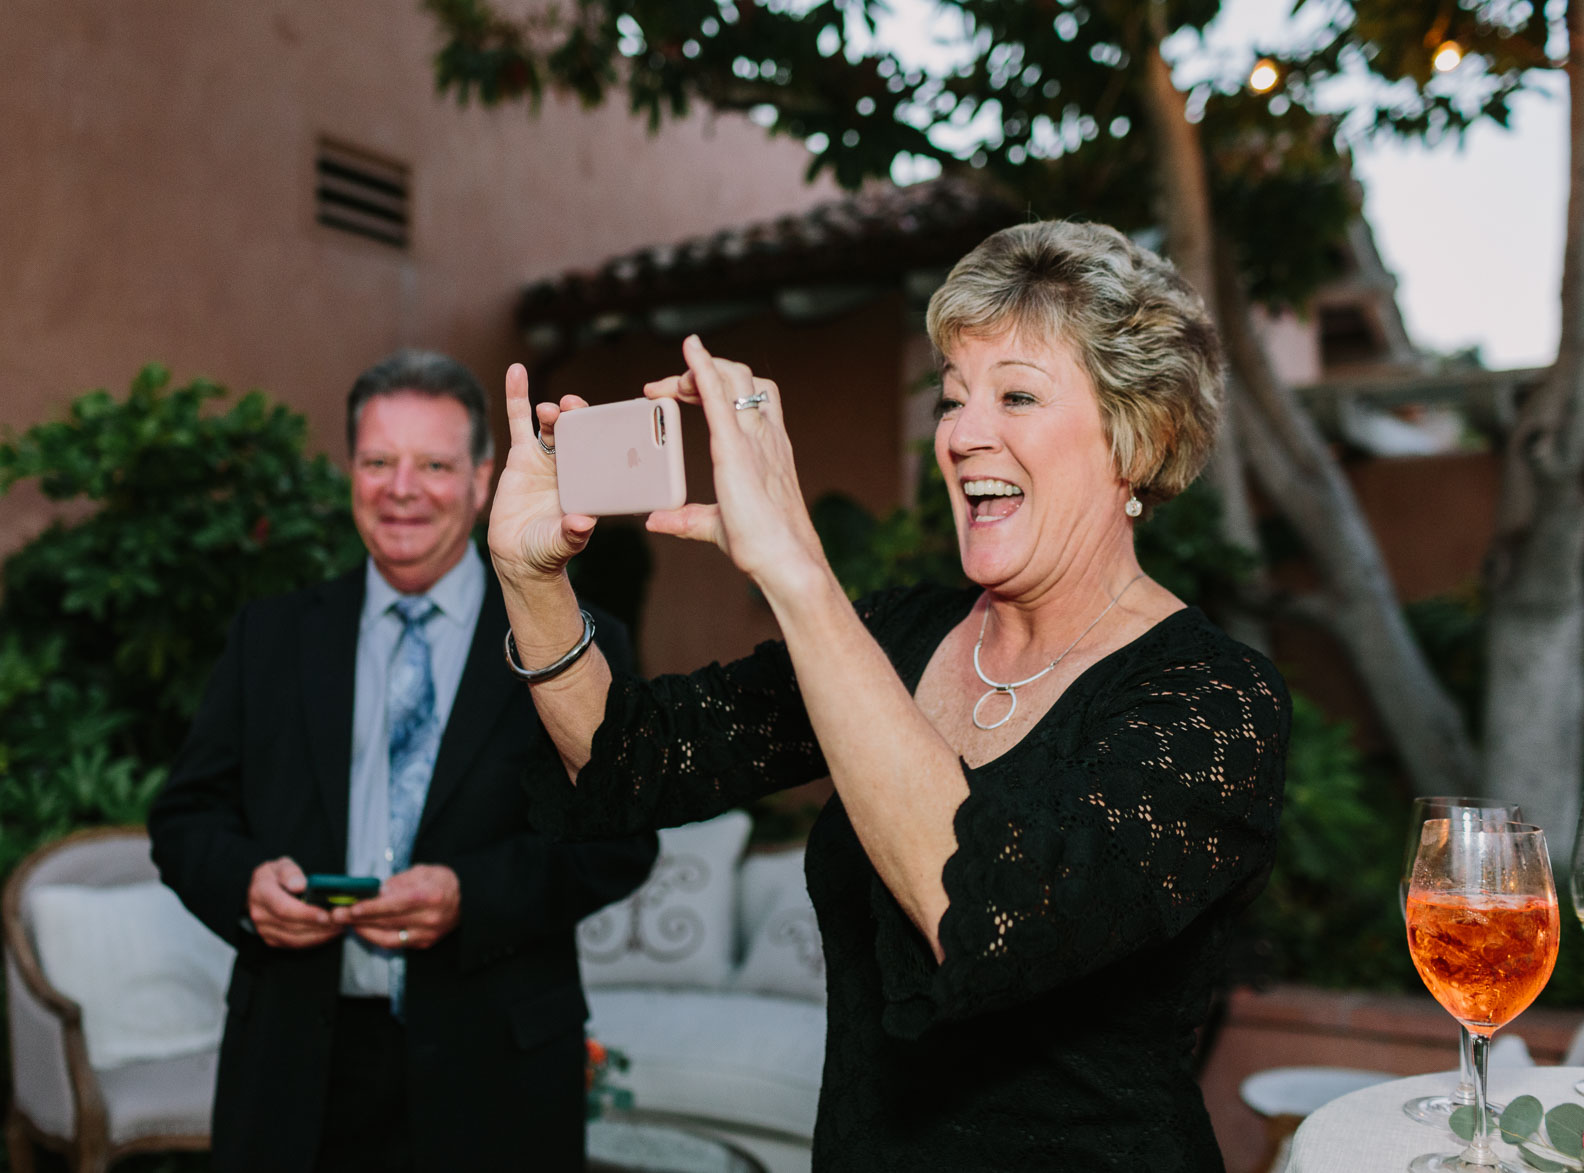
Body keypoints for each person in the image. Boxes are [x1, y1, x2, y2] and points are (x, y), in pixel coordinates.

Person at [489, 221, 1290, 1171]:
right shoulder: (896, 634)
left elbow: (984, 910)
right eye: (953, 398)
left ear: (1138, 439)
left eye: (1016, 395)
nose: (963, 434)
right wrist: (531, 579)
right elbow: (626, 759)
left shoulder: (1216, 700)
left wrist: (798, 571)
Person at [148, 349, 657, 1173]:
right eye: (379, 461)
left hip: (495, 1072)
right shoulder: (269, 637)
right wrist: (245, 886)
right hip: (292, 1069)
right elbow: (184, 818)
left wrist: (469, 894)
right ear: (350, 470)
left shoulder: (576, 641)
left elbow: (619, 840)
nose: (402, 488)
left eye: (434, 464)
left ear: (482, 479)